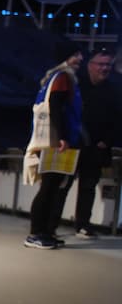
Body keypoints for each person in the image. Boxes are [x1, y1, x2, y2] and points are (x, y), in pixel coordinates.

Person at [52, 45, 121, 239]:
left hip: (96, 148)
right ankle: (51, 226)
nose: (104, 68)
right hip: (72, 145)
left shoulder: (114, 89)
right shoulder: (76, 84)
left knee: (88, 188)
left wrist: (106, 141)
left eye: (108, 65)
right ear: (90, 64)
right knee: (62, 187)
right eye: (101, 64)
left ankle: (83, 225)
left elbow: (118, 119)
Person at [25, 41, 83, 250]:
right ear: (65, 57)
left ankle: (46, 232)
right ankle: (35, 233)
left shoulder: (53, 78)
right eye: (76, 54)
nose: (80, 58)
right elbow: (56, 107)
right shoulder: (62, 77)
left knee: (52, 188)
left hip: (52, 140)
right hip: (55, 142)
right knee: (48, 188)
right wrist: (62, 137)